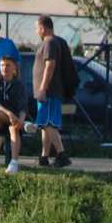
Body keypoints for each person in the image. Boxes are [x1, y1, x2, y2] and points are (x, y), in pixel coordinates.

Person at [32, 15, 72, 168]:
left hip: (48, 92)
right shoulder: (52, 42)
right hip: (49, 92)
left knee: (47, 123)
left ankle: (62, 155)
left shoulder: (49, 42)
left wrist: (42, 88)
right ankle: (44, 156)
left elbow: (50, 65)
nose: (36, 31)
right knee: (46, 125)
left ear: (43, 27)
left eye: (37, 28)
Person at [0, 55, 27, 174]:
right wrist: (9, 113)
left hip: (13, 122)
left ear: (14, 67)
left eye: (8, 65)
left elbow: (23, 106)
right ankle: (25, 125)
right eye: (2, 65)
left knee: (14, 129)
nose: (5, 68)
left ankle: (14, 163)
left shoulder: (19, 85)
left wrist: (21, 119)